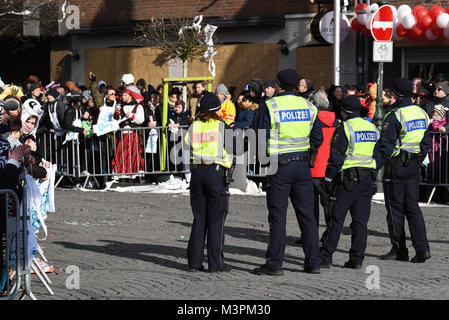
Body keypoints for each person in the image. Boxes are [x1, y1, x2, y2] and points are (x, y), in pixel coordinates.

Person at [253, 68, 323, 275]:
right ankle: (313, 263)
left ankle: (275, 264)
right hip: (302, 165)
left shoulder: (270, 106)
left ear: (278, 85)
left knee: (278, 216)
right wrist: (309, 152)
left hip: (278, 166)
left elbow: (258, 136)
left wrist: (263, 161)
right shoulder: (309, 106)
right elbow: (317, 136)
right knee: (307, 217)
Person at [319, 95, 380, 269]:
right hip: (367, 179)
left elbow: (336, 157)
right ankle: (357, 259)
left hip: (347, 181)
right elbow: (378, 153)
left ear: (343, 111)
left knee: (336, 219)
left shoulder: (345, 127)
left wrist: (328, 178)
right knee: (360, 222)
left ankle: (326, 256)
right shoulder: (372, 127)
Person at [378, 78, 432, 263]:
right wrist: (416, 159)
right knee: (413, 208)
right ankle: (422, 248)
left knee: (394, 209)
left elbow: (385, 147)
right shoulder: (422, 113)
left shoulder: (395, 115)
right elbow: (426, 144)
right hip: (413, 166)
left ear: (397, 94)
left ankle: (399, 250)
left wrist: (374, 168)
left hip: (397, 166)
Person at [185, 92, 234, 273]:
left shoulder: (194, 125)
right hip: (216, 174)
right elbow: (233, 147)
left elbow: (186, 144)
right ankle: (216, 264)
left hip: (197, 174)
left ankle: (194, 263)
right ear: (217, 109)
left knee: (199, 219)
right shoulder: (222, 126)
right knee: (216, 220)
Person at [308, 89, 339, 244]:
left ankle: (310, 235)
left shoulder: (312, 120)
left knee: (310, 205)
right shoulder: (336, 120)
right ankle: (330, 235)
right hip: (330, 168)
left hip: (314, 167)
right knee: (328, 205)